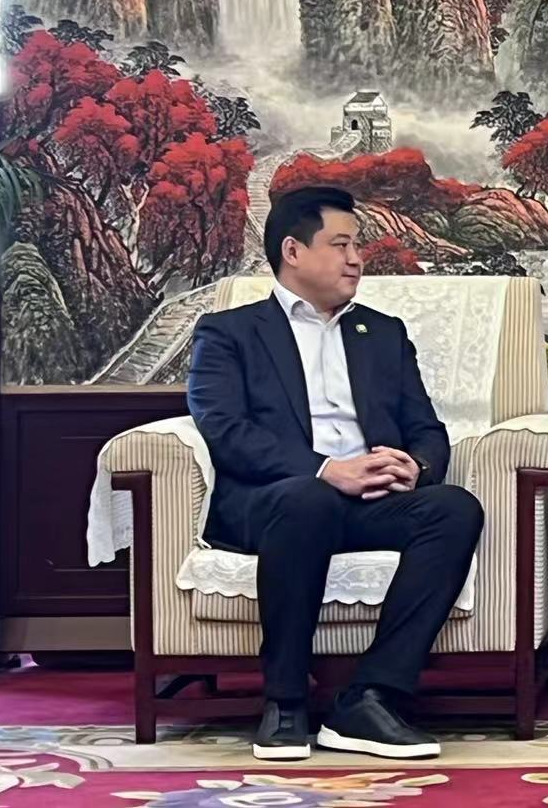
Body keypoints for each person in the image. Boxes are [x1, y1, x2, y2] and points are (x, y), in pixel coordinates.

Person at [187, 185, 483, 762]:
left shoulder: (383, 333)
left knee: (453, 509)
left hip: (371, 500)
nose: (356, 259)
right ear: (293, 251)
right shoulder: (228, 332)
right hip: (275, 503)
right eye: (341, 244)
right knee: (309, 499)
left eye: (358, 246)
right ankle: (285, 703)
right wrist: (326, 470)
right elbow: (225, 430)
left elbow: (426, 428)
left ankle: (370, 698)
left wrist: (414, 466)